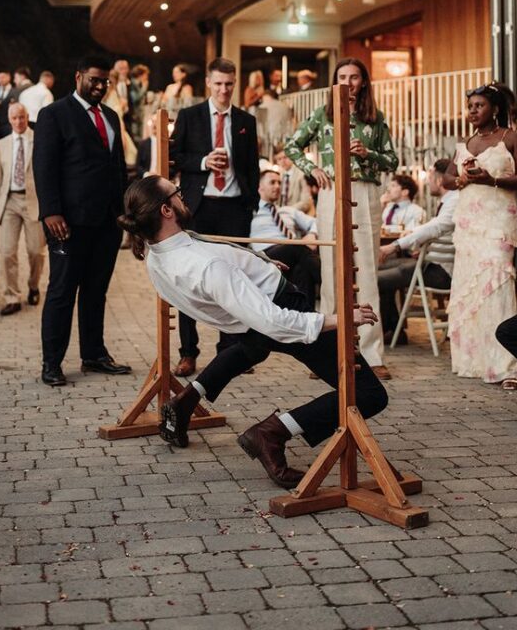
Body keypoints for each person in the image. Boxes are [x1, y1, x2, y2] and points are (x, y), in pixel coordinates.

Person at [117, 175, 387, 488]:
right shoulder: (206, 267)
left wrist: (257, 265)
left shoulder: (157, 255)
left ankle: (186, 399)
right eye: (177, 192)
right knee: (369, 394)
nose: (184, 195)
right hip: (276, 310)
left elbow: (218, 256)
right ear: (166, 210)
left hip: (247, 321)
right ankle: (272, 432)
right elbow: (272, 321)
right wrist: (337, 319)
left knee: (253, 346)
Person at [285, 57, 398, 380]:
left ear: (363, 81)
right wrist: (312, 169)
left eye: (354, 76)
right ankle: (328, 352)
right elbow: (293, 145)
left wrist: (368, 154)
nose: (348, 82)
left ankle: (372, 353)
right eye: (342, 76)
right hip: (331, 191)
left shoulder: (375, 119)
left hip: (365, 192)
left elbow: (392, 159)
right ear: (335, 82)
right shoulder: (322, 115)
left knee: (366, 273)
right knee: (333, 269)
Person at [33, 56, 132, 387]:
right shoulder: (54, 115)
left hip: (106, 222)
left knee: (96, 291)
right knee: (62, 291)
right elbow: (44, 167)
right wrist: (51, 212)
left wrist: (122, 213)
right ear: (78, 77)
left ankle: (93, 354)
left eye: (105, 82)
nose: (100, 86)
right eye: (94, 80)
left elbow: (117, 169)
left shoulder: (112, 117)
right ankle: (52, 363)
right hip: (67, 222)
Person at [170, 57, 260, 376]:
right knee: (189, 280)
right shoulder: (189, 116)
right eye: (219, 83)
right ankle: (188, 351)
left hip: (235, 208)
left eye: (229, 84)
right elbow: (174, 156)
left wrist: (252, 202)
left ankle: (231, 351)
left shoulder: (246, 119)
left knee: (234, 279)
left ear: (235, 84)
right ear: (208, 82)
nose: (224, 90)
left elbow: (252, 166)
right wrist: (204, 161)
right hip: (199, 206)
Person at [442, 83, 517, 390]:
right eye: (470, 107)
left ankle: (507, 366)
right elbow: (447, 178)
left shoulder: (512, 138)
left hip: (497, 222)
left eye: (479, 106)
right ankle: (474, 360)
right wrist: (461, 178)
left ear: (494, 108)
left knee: (497, 285)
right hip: (468, 225)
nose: (472, 112)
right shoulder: (466, 141)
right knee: (469, 288)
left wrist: (493, 179)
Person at [378, 159, 459, 344]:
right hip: (430, 263)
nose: (427, 182)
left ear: (440, 180)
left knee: (376, 279)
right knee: (377, 268)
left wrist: (395, 245)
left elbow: (435, 227)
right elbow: (433, 227)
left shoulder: (454, 201)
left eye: (429, 177)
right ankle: (393, 330)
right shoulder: (448, 201)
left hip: (441, 271)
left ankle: (391, 331)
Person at [0, 103, 46, 316]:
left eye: (22, 118)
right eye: (14, 118)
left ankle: (33, 286)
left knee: (35, 251)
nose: (18, 122)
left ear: (27, 117)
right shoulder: (1, 144)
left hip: (33, 201)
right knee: (7, 252)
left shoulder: (40, 140)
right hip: (10, 202)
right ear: (9, 119)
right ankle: (12, 296)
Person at [251, 167, 320, 298]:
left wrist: (313, 234)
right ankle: (328, 280)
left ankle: (308, 313)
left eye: (279, 183)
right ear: (259, 187)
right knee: (295, 246)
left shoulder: (288, 210)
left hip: (294, 253)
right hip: (265, 255)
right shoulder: (251, 212)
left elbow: (316, 222)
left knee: (302, 269)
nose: (277, 186)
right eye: (272, 182)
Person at [104, 70, 138, 167]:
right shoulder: (111, 93)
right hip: (115, 125)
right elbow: (117, 113)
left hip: (117, 124)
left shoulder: (113, 93)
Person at [273, 146, 313, 213]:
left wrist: (286, 210)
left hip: (296, 214)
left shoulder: (301, 174)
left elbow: (306, 202)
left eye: (285, 157)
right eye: (279, 159)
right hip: (279, 213)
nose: (283, 161)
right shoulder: (277, 176)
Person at [129, 64, 150, 142]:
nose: (147, 77)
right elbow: (135, 99)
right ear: (140, 75)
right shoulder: (132, 84)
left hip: (139, 115)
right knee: (135, 138)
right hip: (134, 116)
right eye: (146, 74)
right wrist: (144, 87)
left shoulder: (138, 85)